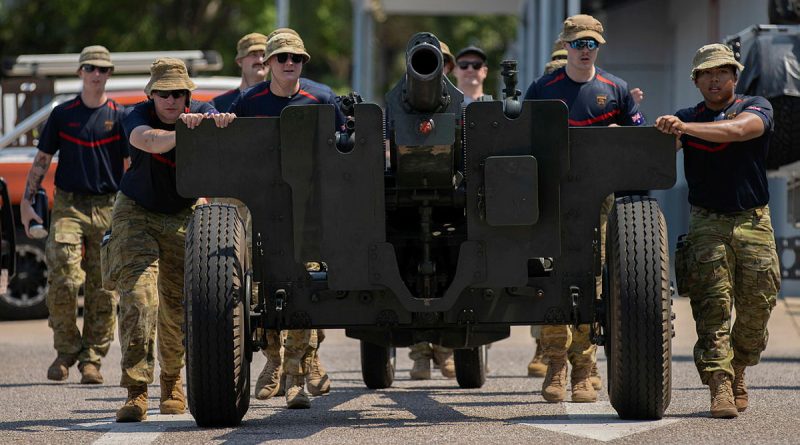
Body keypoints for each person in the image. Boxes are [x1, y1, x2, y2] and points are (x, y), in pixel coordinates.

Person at [524, 14, 644, 404]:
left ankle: (583, 369)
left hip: (601, 202)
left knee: (594, 282)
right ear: (565, 46)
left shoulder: (616, 89)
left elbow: (635, 142)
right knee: (553, 279)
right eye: (578, 44)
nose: (585, 50)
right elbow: (523, 141)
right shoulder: (543, 89)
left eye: (591, 43)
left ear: (599, 46)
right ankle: (556, 365)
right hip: (553, 200)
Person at [655, 43, 779, 419]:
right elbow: (658, 153)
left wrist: (684, 128)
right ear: (696, 80)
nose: (715, 78)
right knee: (712, 306)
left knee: (758, 308)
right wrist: (663, 131)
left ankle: (740, 366)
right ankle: (720, 384)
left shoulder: (755, 106)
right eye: (707, 73)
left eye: (722, 71)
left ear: (734, 77)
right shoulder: (684, 117)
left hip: (753, 221)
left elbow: (742, 131)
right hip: (707, 222)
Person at [111, 57, 235, 422]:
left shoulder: (202, 110)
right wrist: (186, 132)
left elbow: (224, 134)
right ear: (152, 94)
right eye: (163, 93)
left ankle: (171, 382)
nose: (171, 100)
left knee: (179, 304)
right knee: (138, 298)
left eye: (179, 94)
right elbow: (146, 141)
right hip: (137, 211)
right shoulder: (135, 115)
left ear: (187, 96)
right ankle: (136, 391)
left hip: (184, 213)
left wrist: (218, 126)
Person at [232, 29, 342, 409]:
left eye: (297, 58)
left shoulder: (322, 98)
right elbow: (233, 144)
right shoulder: (250, 102)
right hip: (262, 204)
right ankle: (274, 362)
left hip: (308, 206)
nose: (290, 64)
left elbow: (344, 142)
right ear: (268, 64)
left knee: (306, 281)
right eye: (282, 58)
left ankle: (298, 372)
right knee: (261, 285)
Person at [19, 45, 128, 385]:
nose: (97, 74)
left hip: (108, 205)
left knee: (104, 288)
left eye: (104, 69)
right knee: (64, 277)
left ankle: (92, 360)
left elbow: (129, 167)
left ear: (109, 74)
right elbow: (42, 160)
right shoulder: (63, 114)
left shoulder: (120, 116)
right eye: (91, 68)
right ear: (80, 72)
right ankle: (66, 350)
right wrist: (26, 201)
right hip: (68, 203)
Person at [211, 32, 269, 112]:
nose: (260, 60)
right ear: (239, 61)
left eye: (264, 55)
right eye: (253, 54)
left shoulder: (281, 101)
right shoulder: (218, 104)